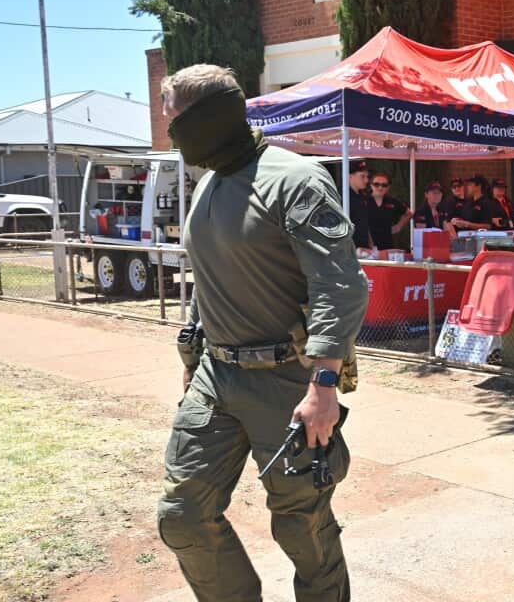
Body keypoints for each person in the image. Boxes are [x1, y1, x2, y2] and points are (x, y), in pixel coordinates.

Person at [156, 64, 367, 601]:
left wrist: (322, 387)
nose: (167, 128)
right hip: (217, 376)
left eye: (174, 117)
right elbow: (211, 281)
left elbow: (340, 286)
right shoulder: (208, 186)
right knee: (183, 517)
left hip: (286, 381)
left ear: (211, 116)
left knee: (301, 524)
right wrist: (192, 359)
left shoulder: (294, 180)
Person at [365, 171, 411, 251]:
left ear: (388, 187)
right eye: (376, 184)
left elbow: (409, 213)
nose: (380, 187)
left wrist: (399, 226)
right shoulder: (363, 200)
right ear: (371, 185)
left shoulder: (392, 201)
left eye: (384, 185)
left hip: (387, 244)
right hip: (367, 246)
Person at [347, 161, 375, 255]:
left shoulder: (362, 196)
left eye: (367, 176)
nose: (366, 180)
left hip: (364, 249)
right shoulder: (342, 196)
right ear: (350, 176)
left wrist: (371, 244)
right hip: (350, 250)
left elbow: (364, 222)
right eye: (362, 176)